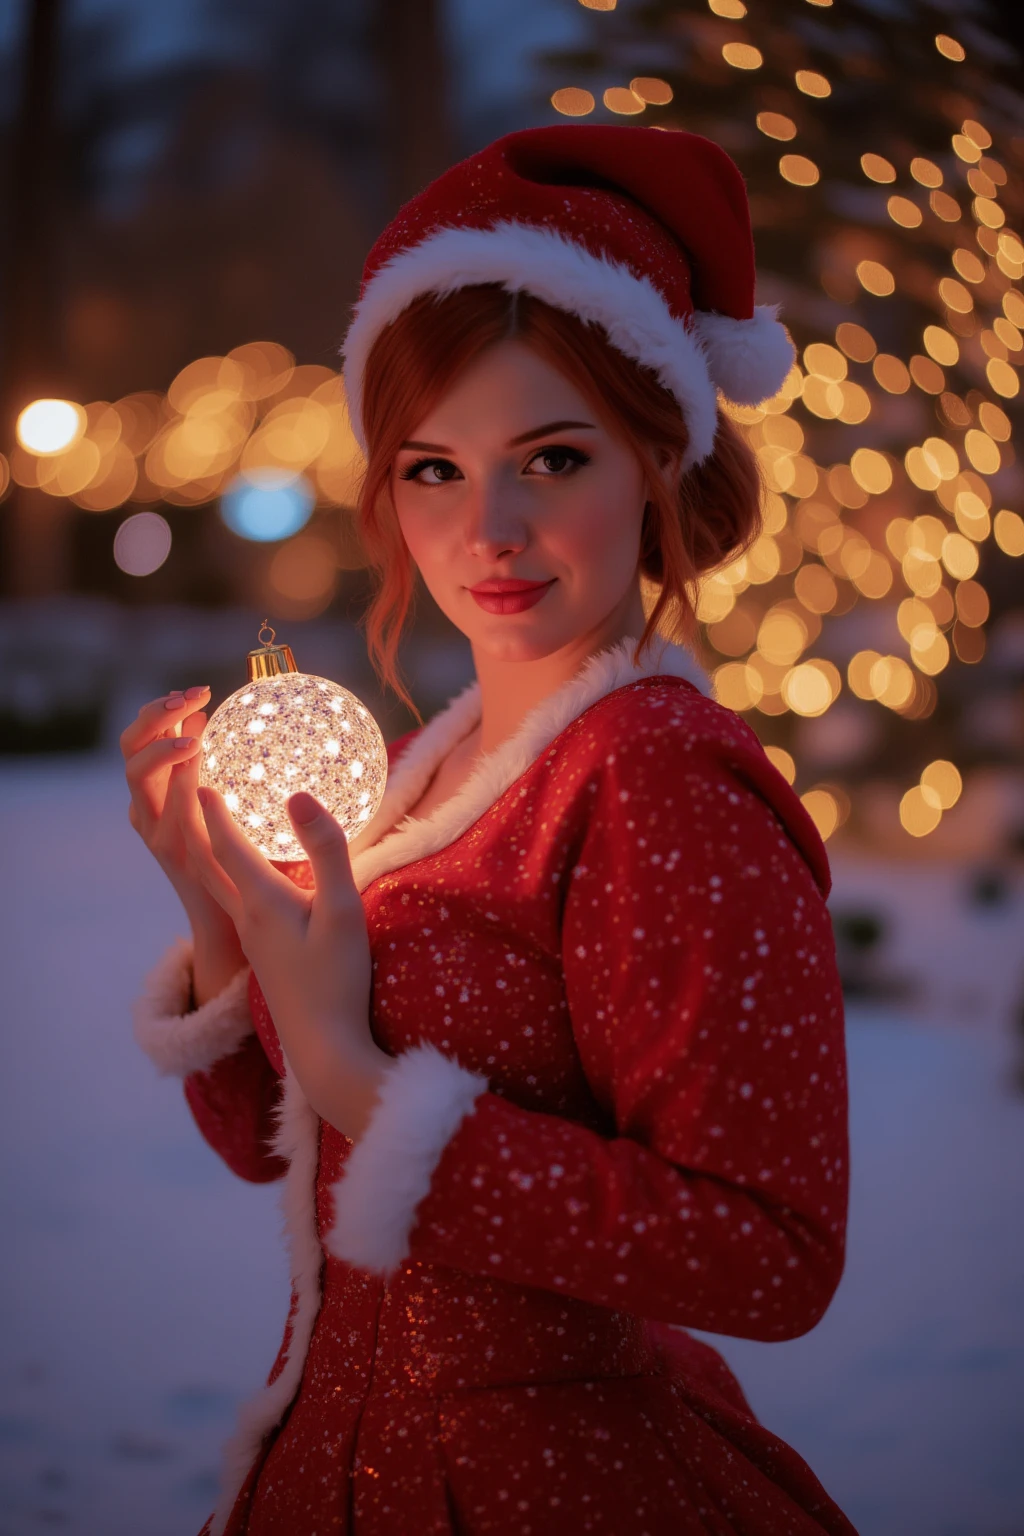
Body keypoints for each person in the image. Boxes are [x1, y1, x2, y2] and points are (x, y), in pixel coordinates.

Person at [125, 125, 856, 1535]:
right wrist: (213, 915)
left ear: (658, 460)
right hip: (329, 1466)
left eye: (553, 457)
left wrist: (355, 1074)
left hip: (552, 1489)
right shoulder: (426, 767)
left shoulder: (659, 781)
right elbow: (289, 1159)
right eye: (435, 470)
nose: (489, 532)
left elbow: (775, 1257)